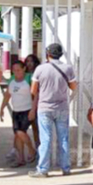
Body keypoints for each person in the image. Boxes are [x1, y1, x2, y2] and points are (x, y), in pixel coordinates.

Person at [30, 42, 77, 177]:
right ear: (60, 54)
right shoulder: (68, 68)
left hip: (44, 107)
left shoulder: (40, 69)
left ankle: (43, 169)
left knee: (45, 139)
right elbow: (73, 87)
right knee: (63, 138)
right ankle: (66, 168)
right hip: (62, 107)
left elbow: (33, 90)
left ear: (47, 54)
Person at [0, 59, 36, 168]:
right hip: (16, 111)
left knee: (20, 132)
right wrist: (1, 108)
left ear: (24, 69)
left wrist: (33, 110)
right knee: (17, 135)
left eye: (19, 70)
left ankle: (31, 150)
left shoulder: (29, 78)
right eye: (14, 70)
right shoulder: (12, 80)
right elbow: (7, 95)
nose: (16, 72)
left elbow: (35, 95)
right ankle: (21, 159)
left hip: (27, 109)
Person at [23, 53, 42, 150]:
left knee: (37, 128)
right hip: (24, 104)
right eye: (27, 61)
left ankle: (38, 147)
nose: (29, 63)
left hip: (36, 103)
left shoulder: (38, 74)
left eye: (31, 61)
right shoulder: (23, 74)